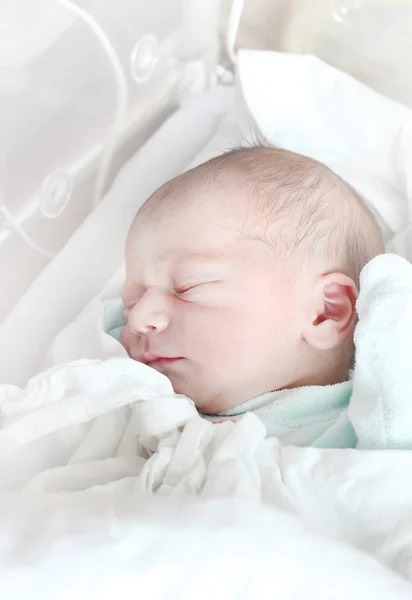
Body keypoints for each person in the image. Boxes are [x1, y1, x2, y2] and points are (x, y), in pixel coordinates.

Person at [119, 146, 385, 446]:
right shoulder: (121, 407)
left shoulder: (369, 436)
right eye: (131, 302)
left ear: (324, 312)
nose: (139, 319)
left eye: (189, 286)